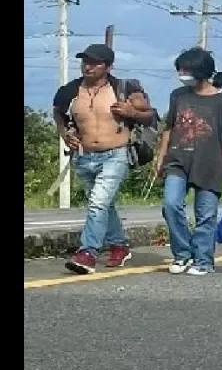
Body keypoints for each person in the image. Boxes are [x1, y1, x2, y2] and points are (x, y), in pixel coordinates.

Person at [52, 44, 155, 275]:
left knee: (97, 203)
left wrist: (132, 113)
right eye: (85, 62)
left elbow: (150, 115)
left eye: (95, 63)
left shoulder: (125, 89)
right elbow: (58, 113)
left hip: (115, 154)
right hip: (84, 156)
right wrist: (65, 134)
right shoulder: (69, 90)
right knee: (103, 205)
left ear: (108, 67)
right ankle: (119, 245)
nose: (88, 67)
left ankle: (87, 253)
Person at [154, 47, 222, 276]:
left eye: (185, 69)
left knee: (206, 215)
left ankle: (203, 260)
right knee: (171, 205)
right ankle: (182, 254)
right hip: (178, 159)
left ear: (200, 71)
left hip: (211, 162)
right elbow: (169, 127)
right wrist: (160, 158)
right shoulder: (178, 95)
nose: (181, 74)